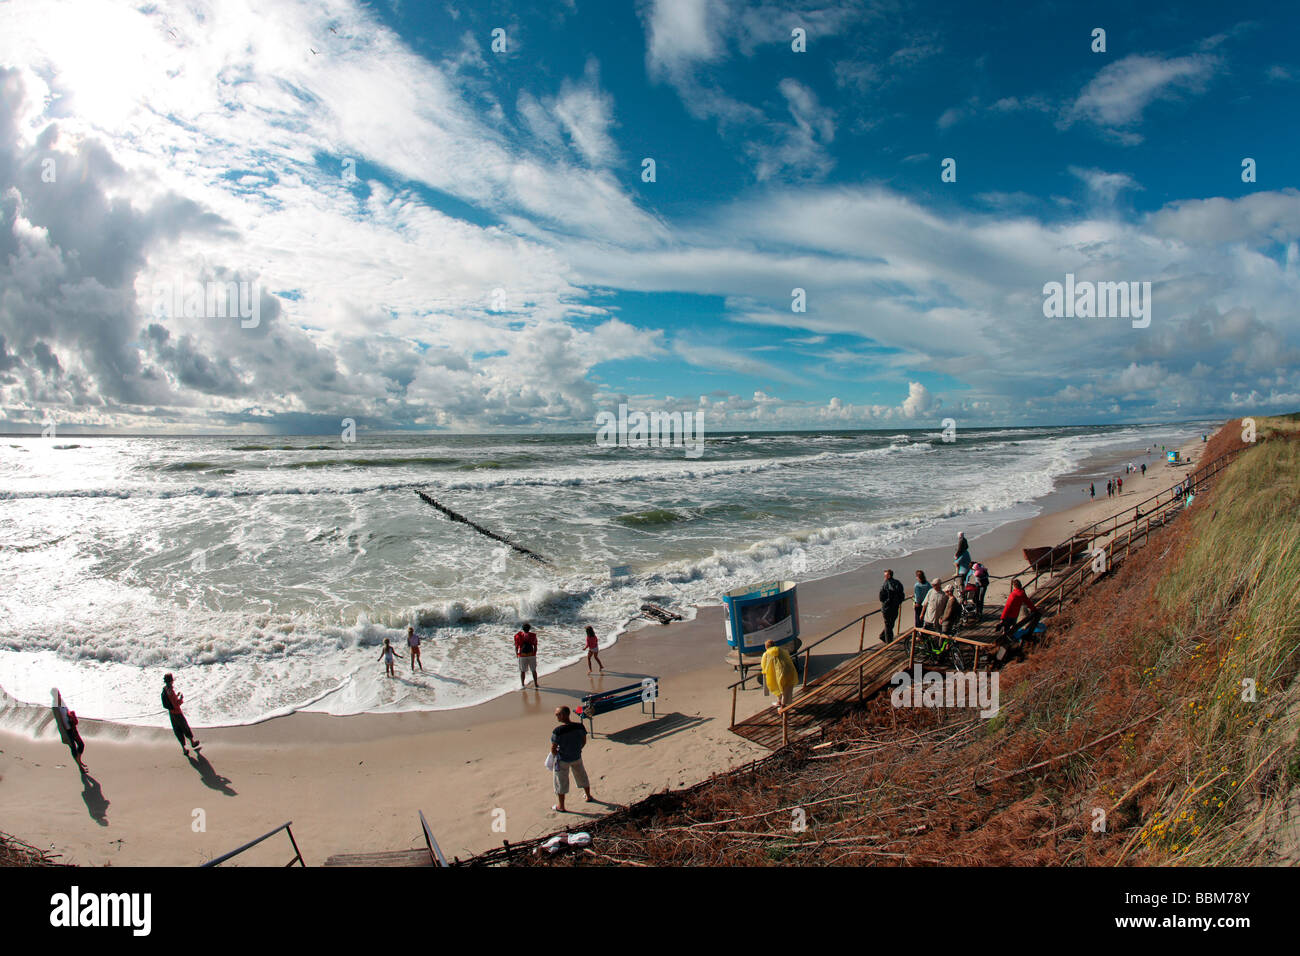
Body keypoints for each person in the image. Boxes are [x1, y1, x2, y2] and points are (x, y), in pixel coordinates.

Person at [550, 706, 593, 812]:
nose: (557, 716)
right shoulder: (579, 726)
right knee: (582, 775)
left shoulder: (558, 731)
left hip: (563, 759)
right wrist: (577, 749)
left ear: (563, 715)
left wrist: (556, 755)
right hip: (576, 756)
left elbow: (553, 748)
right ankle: (588, 796)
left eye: (558, 714)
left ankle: (561, 806)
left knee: (560, 781)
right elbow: (583, 741)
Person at [161, 673, 201, 756]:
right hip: (177, 713)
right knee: (185, 727)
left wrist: (177, 696)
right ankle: (192, 743)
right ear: (171, 681)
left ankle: (184, 749)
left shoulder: (165, 689)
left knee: (177, 730)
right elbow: (176, 704)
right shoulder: (170, 691)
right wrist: (181, 699)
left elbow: (171, 702)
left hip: (171, 714)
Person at [51, 689, 87, 773]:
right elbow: (59, 722)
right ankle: (80, 767)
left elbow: (67, 711)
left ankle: (79, 760)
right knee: (73, 748)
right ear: (54, 696)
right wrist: (64, 733)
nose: (60, 696)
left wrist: (71, 716)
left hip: (72, 728)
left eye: (59, 694)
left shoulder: (62, 702)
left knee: (81, 745)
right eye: (58, 695)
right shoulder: (55, 707)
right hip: (66, 731)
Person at [760, 638, 798, 709]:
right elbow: (788, 658)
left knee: (779, 688)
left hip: (777, 673)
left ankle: (783, 708)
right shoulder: (782, 650)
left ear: (766, 647)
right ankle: (783, 703)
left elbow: (763, 665)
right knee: (787, 689)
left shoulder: (766, 654)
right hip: (788, 670)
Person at [878, 569, 906, 642]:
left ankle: (888, 641)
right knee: (890, 624)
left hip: (887, 608)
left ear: (889, 576)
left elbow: (881, 597)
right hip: (895, 606)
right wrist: (898, 602)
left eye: (885, 575)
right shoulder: (898, 583)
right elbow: (902, 595)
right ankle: (884, 637)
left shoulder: (885, 584)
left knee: (888, 624)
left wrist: (886, 603)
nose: (884, 577)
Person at [514, 622, 539, 688]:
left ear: (522, 629)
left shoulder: (518, 636)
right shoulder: (533, 636)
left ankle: (522, 684)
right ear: (529, 629)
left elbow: (516, 646)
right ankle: (536, 684)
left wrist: (517, 654)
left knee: (522, 671)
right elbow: (535, 646)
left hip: (523, 655)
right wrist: (534, 654)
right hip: (531, 655)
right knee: (533, 670)